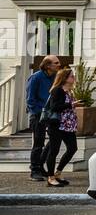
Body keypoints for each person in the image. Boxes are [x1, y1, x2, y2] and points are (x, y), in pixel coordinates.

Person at [41, 67, 79, 188]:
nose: (73, 78)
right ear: (65, 78)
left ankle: (58, 172)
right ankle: (50, 177)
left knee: (72, 148)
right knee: (54, 151)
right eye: (71, 76)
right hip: (56, 125)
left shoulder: (68, 91)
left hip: (67, 126)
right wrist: (71, 104)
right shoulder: (57, 90)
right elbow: (54, 107)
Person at [25, 55, 59, 183]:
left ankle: (40, 165)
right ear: (48, 65)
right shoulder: (36, 77)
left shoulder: (54, 77)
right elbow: (30, 99)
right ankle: (34, 170)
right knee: (38, 143)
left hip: (51, 114)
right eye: (56, 63)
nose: (59, 65)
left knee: (54, 139)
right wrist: (38, 113)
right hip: (37, 115)